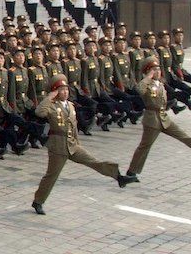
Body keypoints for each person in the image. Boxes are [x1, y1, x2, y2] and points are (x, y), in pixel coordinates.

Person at [31, 76, 136, 215]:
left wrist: (77, 142)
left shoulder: (70, 105)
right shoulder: (51, 106)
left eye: (66, 89)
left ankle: (119, 177)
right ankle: (38, 201)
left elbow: (73, 127)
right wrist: (49, 97)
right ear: (55, 92)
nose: (65, 92)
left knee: (94, 162)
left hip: (73, 145)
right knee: (51, 176)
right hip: (58, 147)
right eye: (61, 90)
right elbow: (39, 112)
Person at [126, 59, 191, 178]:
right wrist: (148, 77)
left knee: (184, 137)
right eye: (154, 70)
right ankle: (131, 172)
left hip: (163, 118)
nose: (158, 71)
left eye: (158, 69)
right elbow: (139, 89)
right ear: (148, 71)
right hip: (152, 120)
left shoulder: (160, 84)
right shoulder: (146, 84)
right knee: (144, 146)